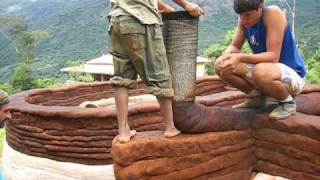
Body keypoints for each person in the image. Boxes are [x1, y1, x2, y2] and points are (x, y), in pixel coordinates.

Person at [108, 0, 204, 143]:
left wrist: (165, 8)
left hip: (116, 21)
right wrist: (186, 5)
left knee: (122, 77)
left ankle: (123, 131)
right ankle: (170, 128)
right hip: (141, 21)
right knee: (160, 73)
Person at [214, 0, 306, 120]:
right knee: (220, 65)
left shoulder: (273, 13)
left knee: (260, 71)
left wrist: (240, 57)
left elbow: (273, 57)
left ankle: (287, 103)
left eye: (247, 15)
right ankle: (258, 98)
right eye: (240, 15)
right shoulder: (244, 21)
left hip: (292, 78)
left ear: (261, 5)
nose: (243, 19)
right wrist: (226, 56)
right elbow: (235, 46)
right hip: (266, 72)